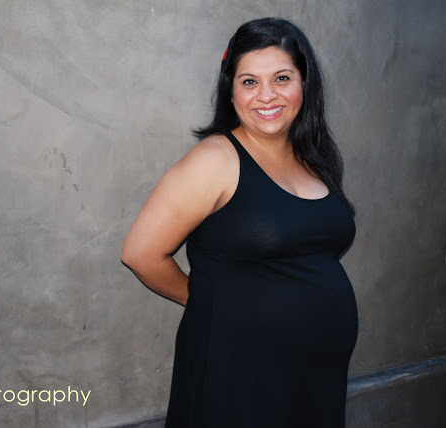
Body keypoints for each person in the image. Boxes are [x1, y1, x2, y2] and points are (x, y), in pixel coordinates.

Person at [121, 17, 358, 428]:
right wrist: (218, 305)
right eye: (250, 81)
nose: (266, 95)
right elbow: (140, 254)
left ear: (304, 84)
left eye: (282, 78)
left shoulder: (314, 159)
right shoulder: (215, 160)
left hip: (315, 381)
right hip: (239, 374)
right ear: (231, 92)